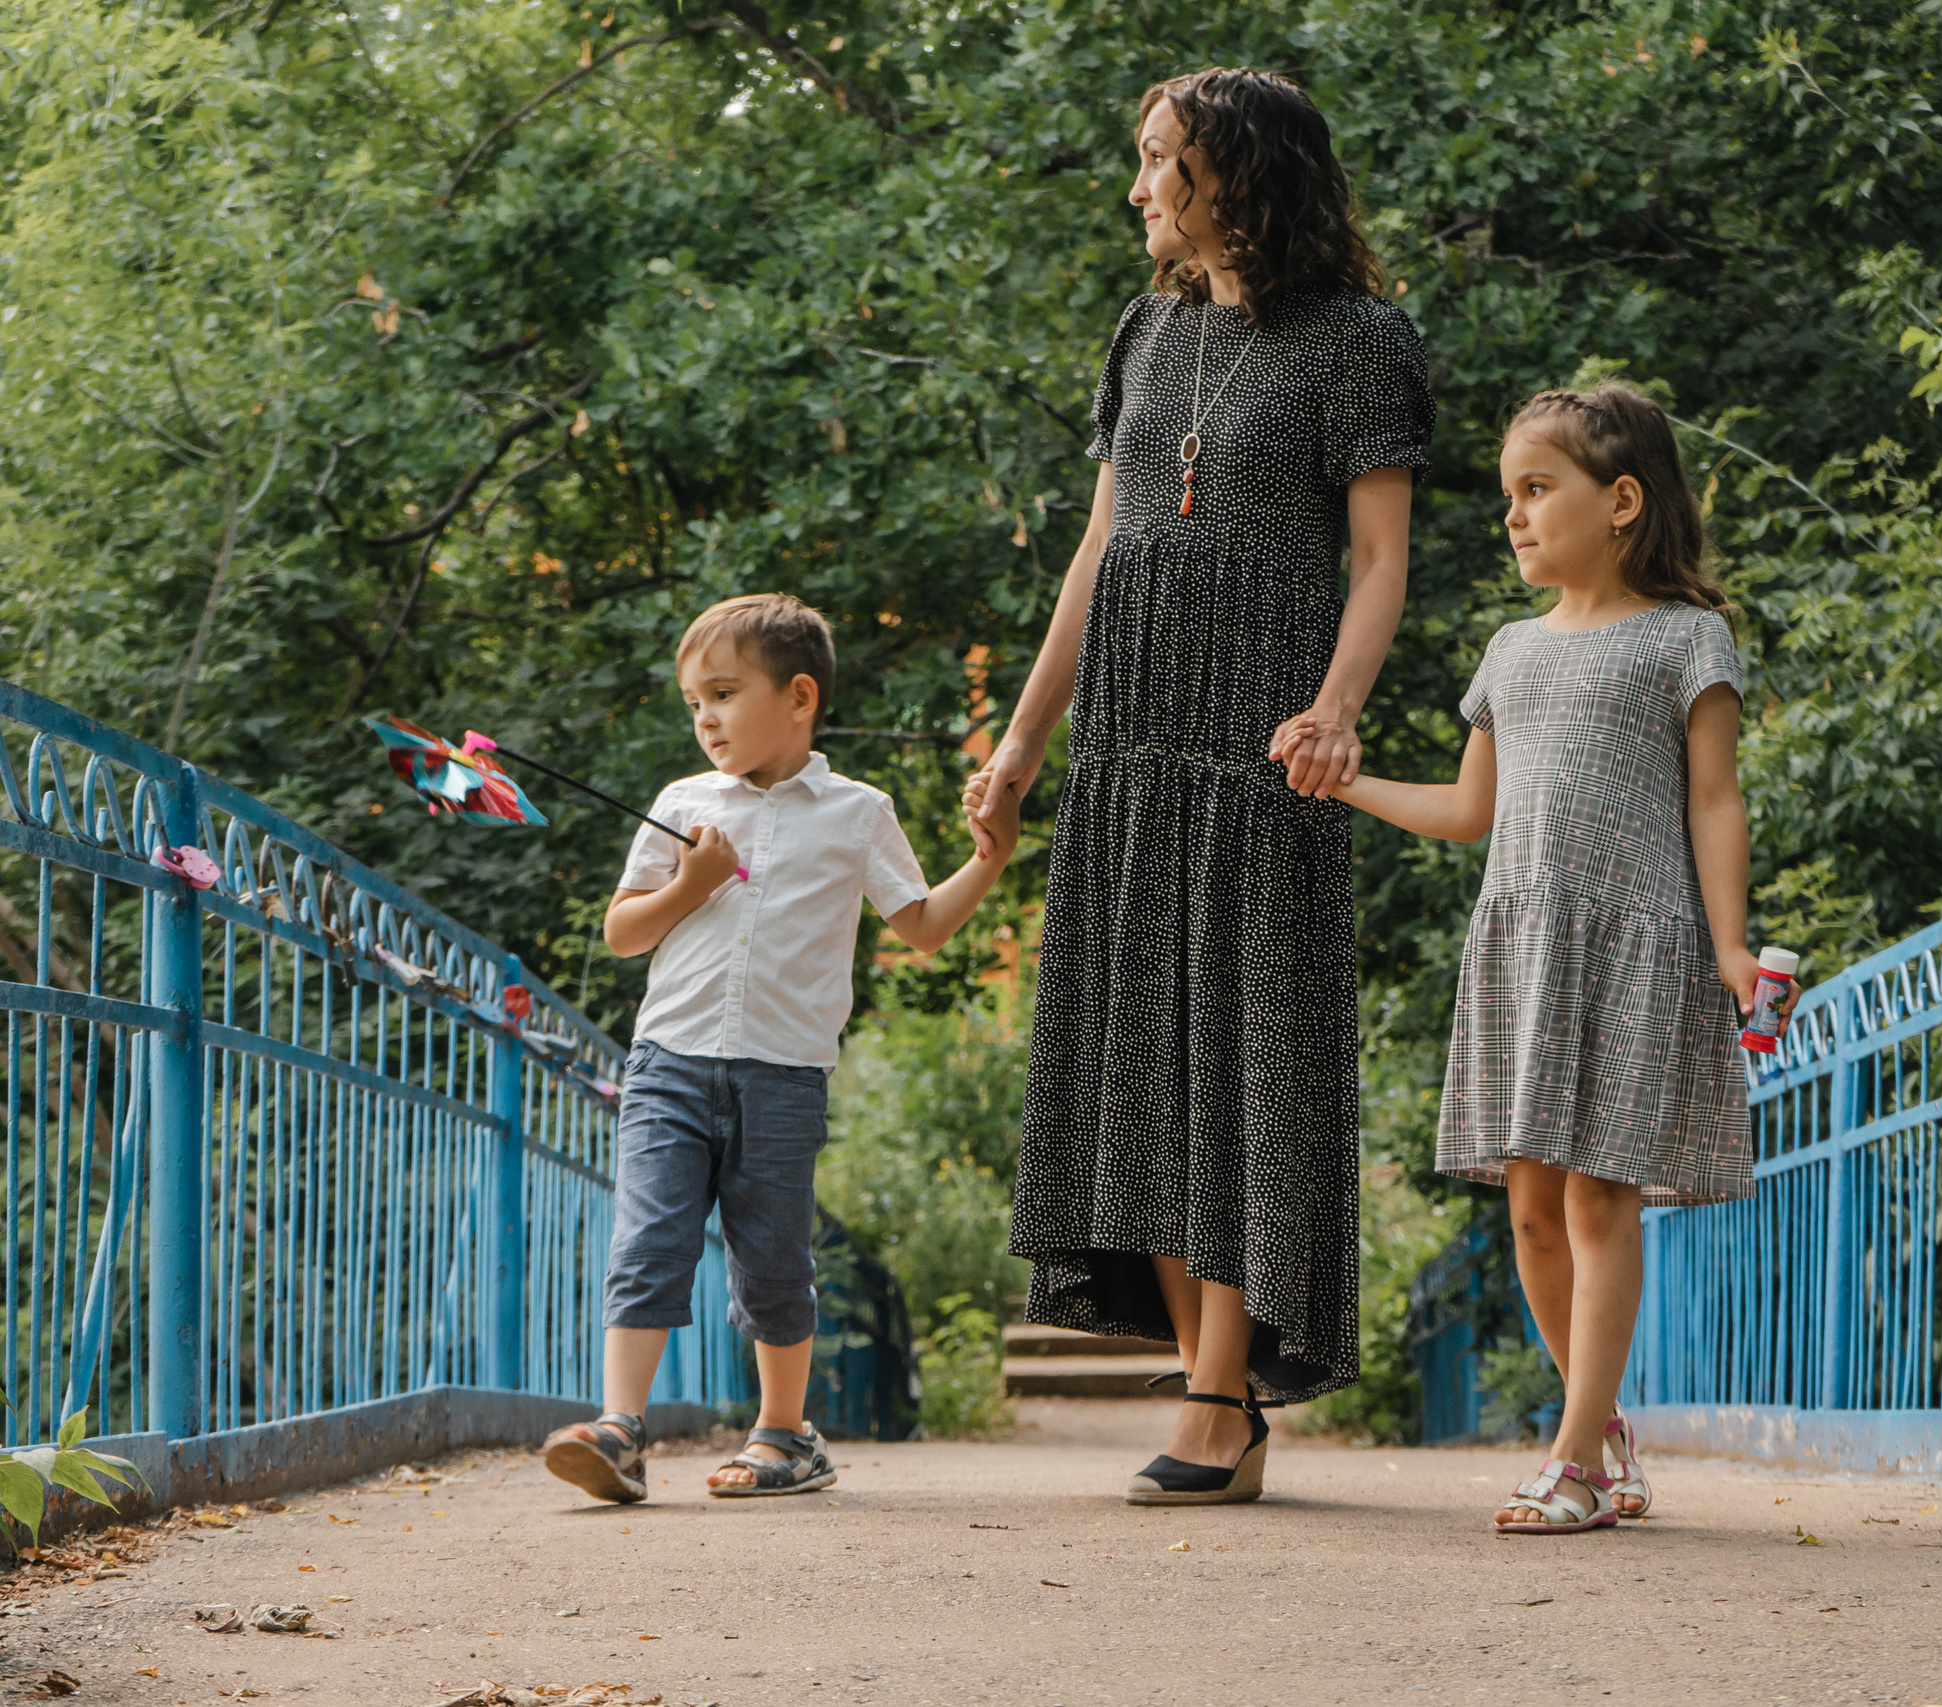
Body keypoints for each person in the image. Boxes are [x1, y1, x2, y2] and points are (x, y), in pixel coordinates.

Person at [962, 67, 1432, 1505]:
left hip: (1262, 743)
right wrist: (1027, 740)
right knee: (1137, 1065)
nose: (1138, 187)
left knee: (1247, 1059)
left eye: (1159, 160)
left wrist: (1337, 708)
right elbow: (1097, 556)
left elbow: (1379, 561)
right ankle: (1209, 1381)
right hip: (1129, 742)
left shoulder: (1360, 343)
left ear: (1236, 172)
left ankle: (1222, 1393)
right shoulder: (1145, 331)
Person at [1279, 384, 1790, 1533]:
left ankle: (1571, 1464)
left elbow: (1715, 802)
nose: (1510, 515)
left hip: (1638, 944)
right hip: (1521, 942)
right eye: (1506, 494)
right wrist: (1341, 778)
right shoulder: (1509, 651)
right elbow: (1470, 810)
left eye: (1534, 489)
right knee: (1531, 1215)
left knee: (1604, 1201)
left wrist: (1728, 945)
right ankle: (1598, 1427)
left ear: (1620, 500)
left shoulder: (1684, 637)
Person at [542, 592, 1020, 1503]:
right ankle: (620, 1428)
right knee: (648, 1240)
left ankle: (784, 1432)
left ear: (799, 697)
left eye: (723, 693)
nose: (706, 718)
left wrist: (988, 862)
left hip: (784, 1073)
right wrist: (693, 882)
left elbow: (919, 926)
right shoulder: (683, 806)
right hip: (669, 1062)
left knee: (772, 1258)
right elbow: (623, 932)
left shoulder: (857, 810)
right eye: (693, 702)